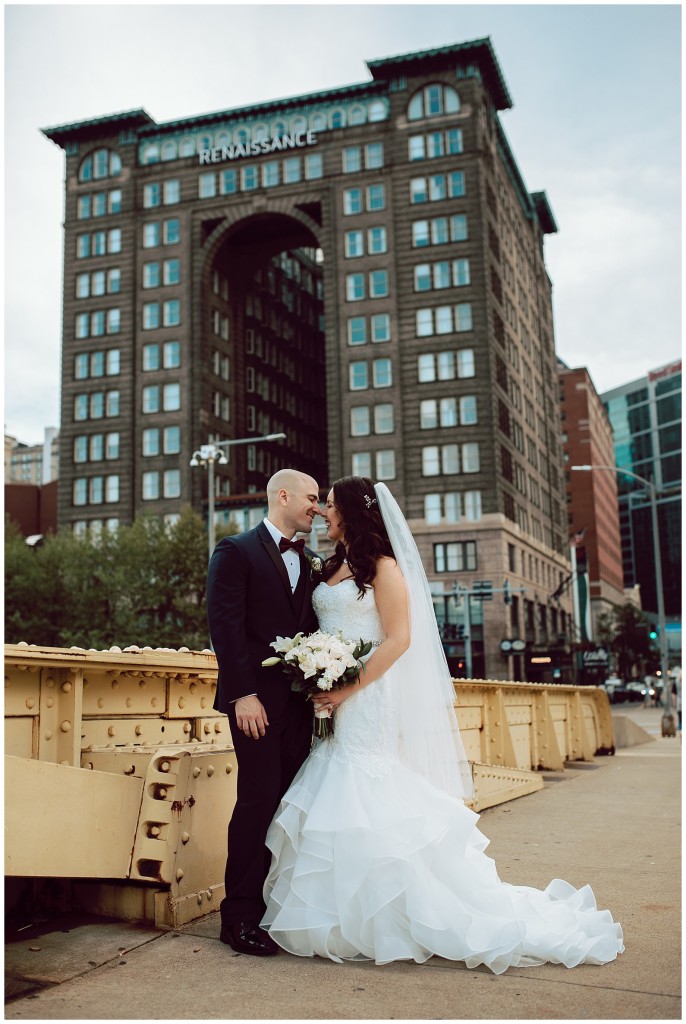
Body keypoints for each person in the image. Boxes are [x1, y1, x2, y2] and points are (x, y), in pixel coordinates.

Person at [261, 477, 625, 972]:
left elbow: (400, 639)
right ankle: (344, 913)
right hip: (327, 696)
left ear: (349, 512)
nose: (323, 512)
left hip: (366, 696)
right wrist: (315, 669)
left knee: (363, 784)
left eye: (329, 505)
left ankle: (388, 912)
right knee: (335, 781)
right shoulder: (329, 566)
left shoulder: (384, 568)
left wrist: (347, 687)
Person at [207, 468, 321, 956]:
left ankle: (277, 906)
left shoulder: (314, 561)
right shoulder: (235, 550)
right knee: (256, 802)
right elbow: (225, 626)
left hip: (300, 708)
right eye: (312, 498)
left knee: (289, 804)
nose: (317, 507)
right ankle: (238, 917)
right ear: (283, 495)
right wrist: (241, 694)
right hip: (253, 705)